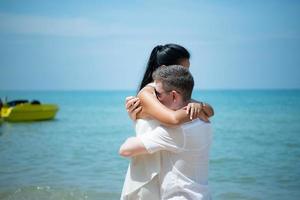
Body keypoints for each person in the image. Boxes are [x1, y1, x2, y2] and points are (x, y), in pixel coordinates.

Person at [120, 44, 214, 200]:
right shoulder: (150, 93)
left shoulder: (171, 92)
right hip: (147, 169)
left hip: (161, 165)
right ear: (164, 68)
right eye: (184, 68)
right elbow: (172, 119)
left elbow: (210, 111)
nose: (187, 74)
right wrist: (195, 113)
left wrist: (200, 107)